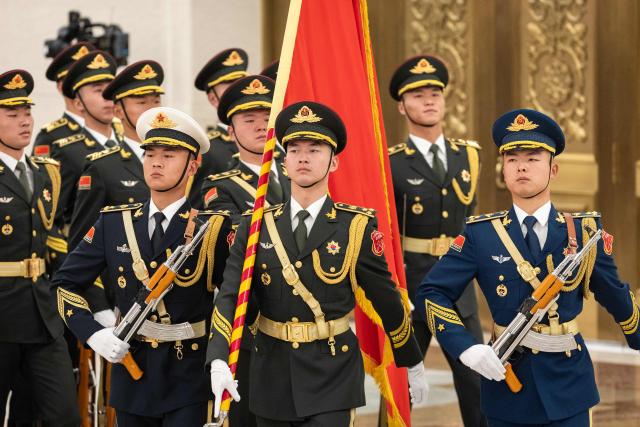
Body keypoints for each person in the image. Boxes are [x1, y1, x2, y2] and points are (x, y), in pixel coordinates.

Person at [207, 101, 427, 427]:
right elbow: (229, 295)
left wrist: (412, 360)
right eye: (294, 150)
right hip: (272, 373)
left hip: (332, 371)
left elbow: (385, 298)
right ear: (283, 163)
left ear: (334, 162)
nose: (304, 158)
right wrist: (218, 358)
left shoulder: (355, 227)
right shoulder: (254, 225)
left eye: (315, 149)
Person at [417, 108, 640, 426]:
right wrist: (465, 348)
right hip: (507, 387)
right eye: (512, 158)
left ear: (554, 169)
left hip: (568, 387)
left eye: (533, 157)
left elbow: (618, 297)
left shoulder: (584, 232)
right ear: (502, 170)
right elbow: (432, 292)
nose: (521, 165)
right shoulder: (482, 235)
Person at [53, 106, 233, 426]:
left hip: (188, 375)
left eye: (169, 155)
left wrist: (222, 358)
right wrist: (93, 334)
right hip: (131, 372)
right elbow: (65, 283)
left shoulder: (213, 228)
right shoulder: (114, 223)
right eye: (150, 154)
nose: (157, 163)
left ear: (193, 165)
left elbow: (233, 298)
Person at [388, 54, 485, 425]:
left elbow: (472, 225)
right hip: (413, 285)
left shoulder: (469, 157)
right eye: (417, 94)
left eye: (435, 93)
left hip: (458, 285)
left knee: (475, 379)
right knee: (403, 382)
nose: (429, 100)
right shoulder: (392, 162)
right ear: (402, 105)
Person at [0, 69, 79, 426]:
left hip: (42, 314)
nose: (24, 122)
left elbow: (53, 242)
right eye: (12, 115)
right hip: (2, 313)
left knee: (62, 414)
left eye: (27, 113)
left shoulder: (47, 172)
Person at [201, 75, 289, 223]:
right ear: (231, 132)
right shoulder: (222, 187)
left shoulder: (298, 175)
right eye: (249, 120)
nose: (262, 127)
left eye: (268, 119)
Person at [192, 47, 250, 207]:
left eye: (241, 83)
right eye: (229, 86)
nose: (239, 91)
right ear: (213, 99)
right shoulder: (206, 151)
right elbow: (195, 211)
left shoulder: (271, 145)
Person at [31, 42, 95, 158]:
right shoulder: (51, 136)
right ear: (61, 87)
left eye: (90, 82)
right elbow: (42, 176)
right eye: (75, 80)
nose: (82, 86)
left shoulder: (116, 127)